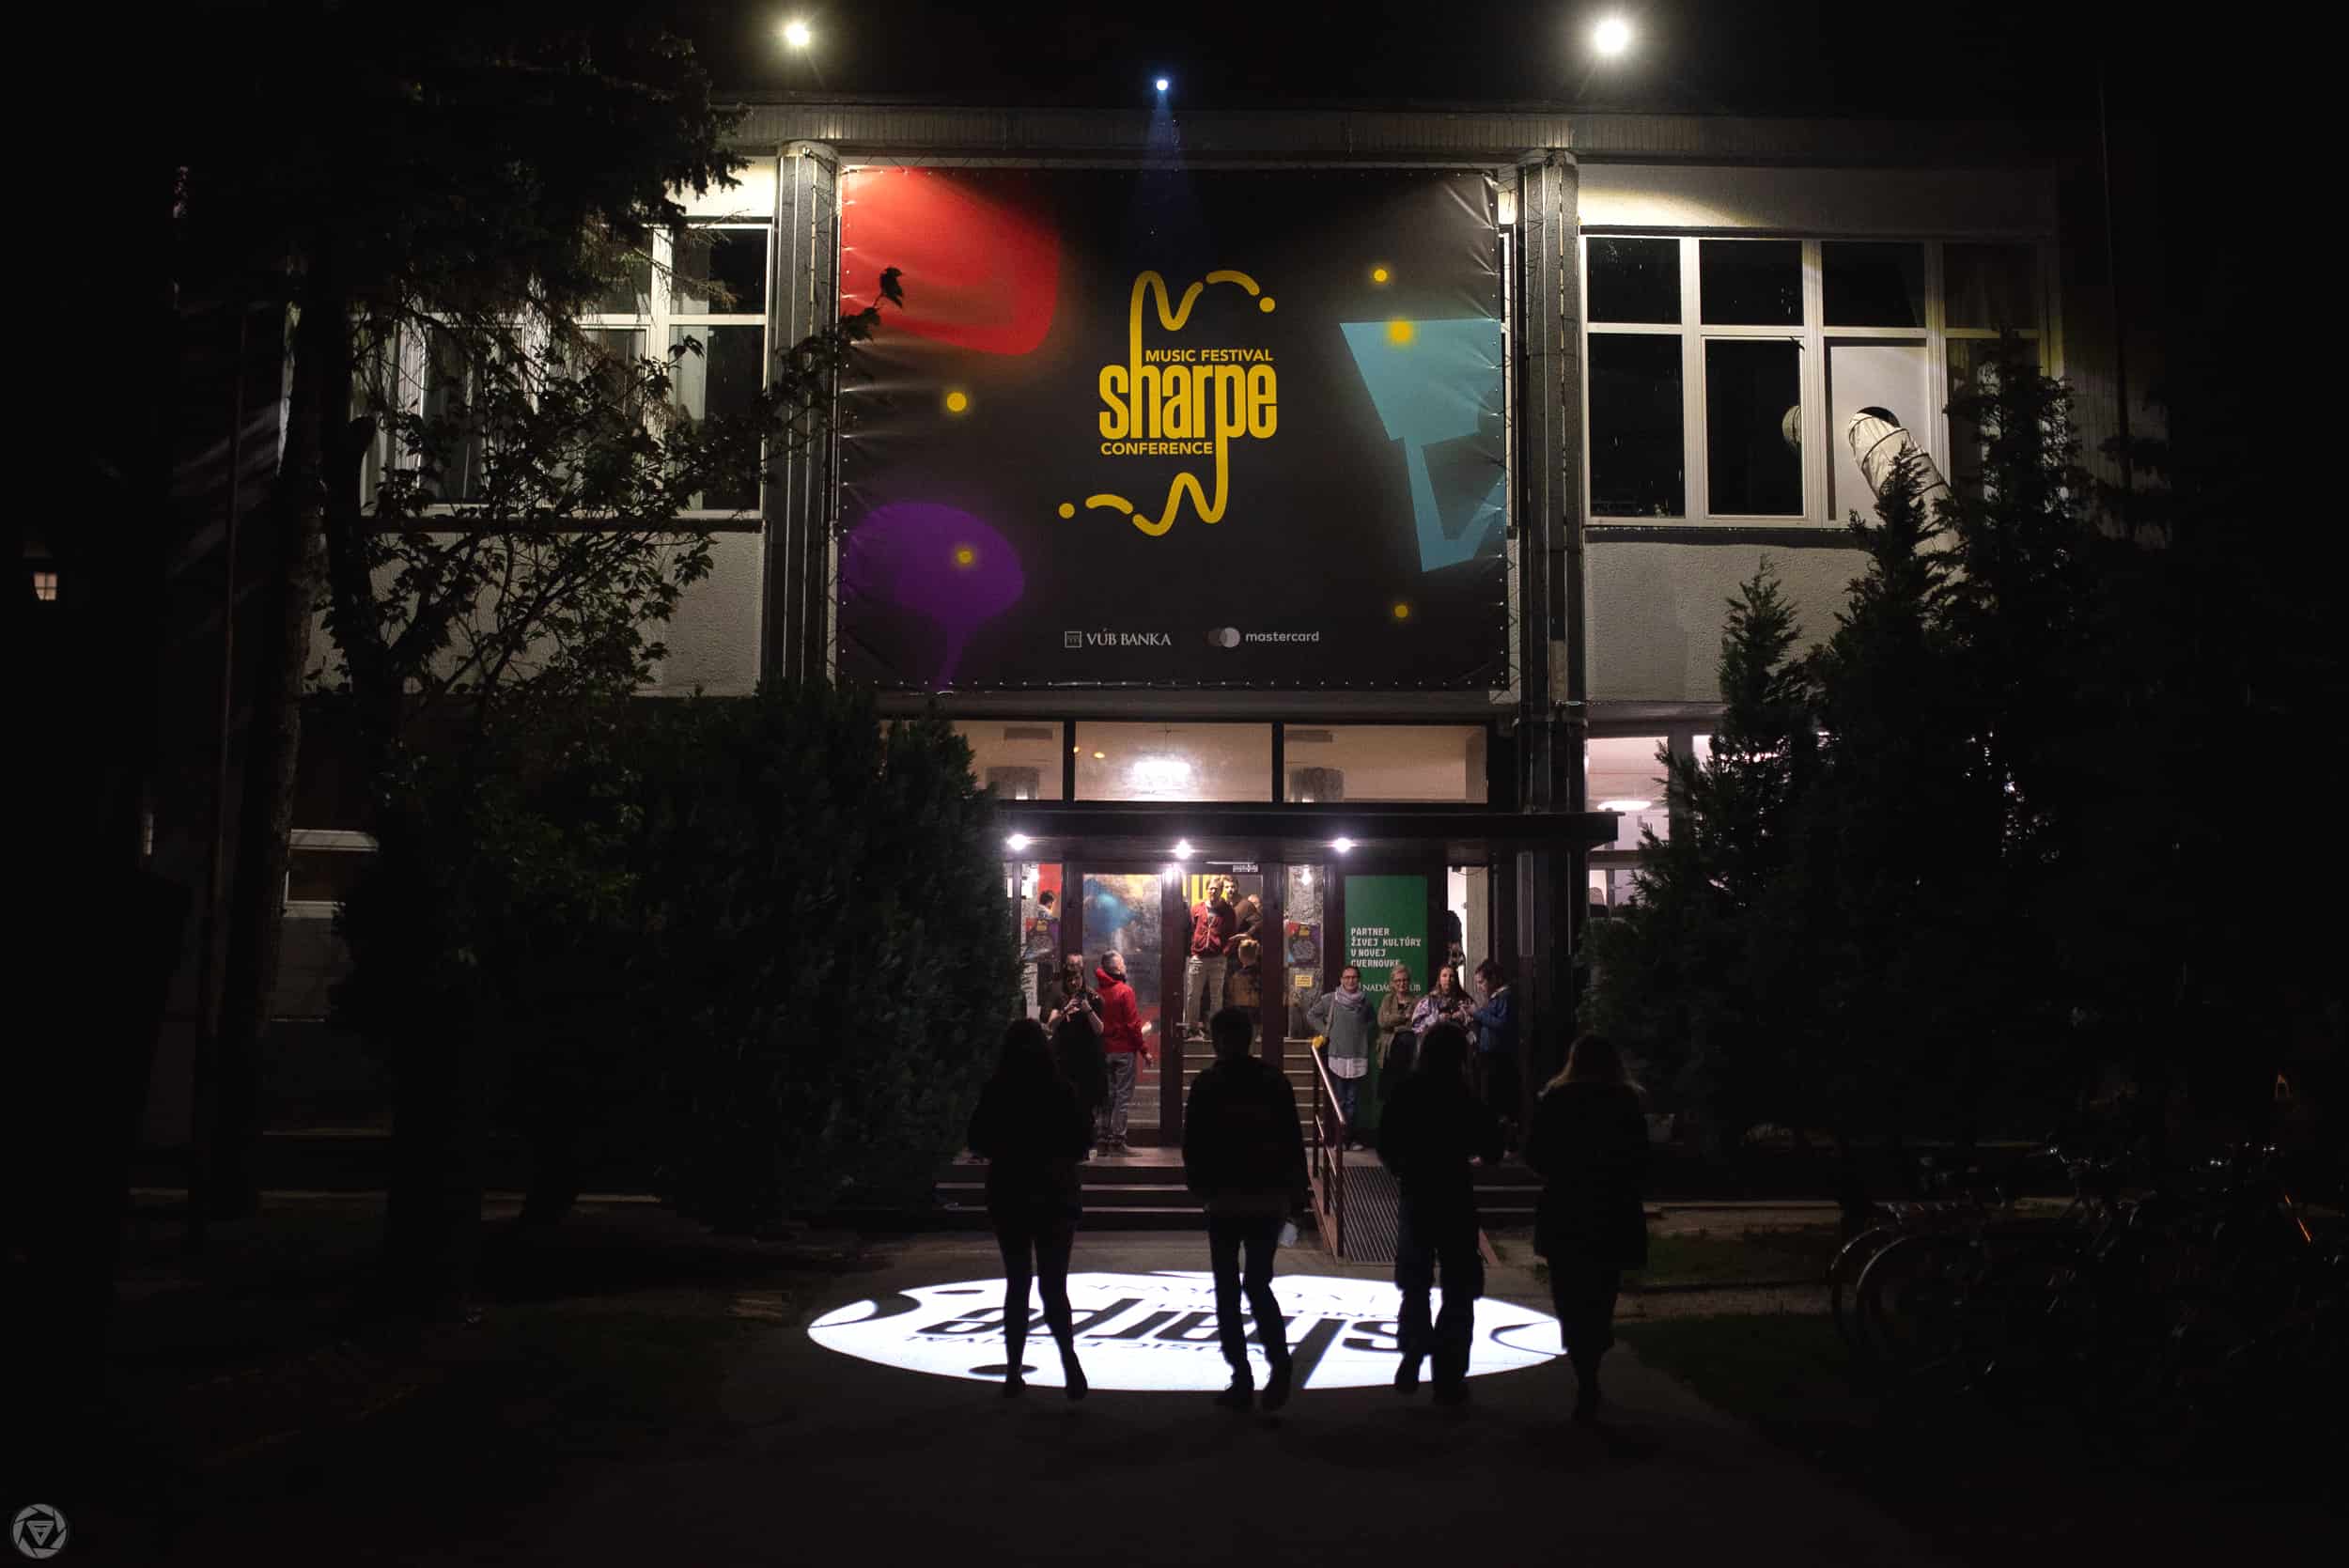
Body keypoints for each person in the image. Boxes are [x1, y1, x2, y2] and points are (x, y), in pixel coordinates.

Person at [1182, 1004, 1307, 1412]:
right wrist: (1296, 1197)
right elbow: (1292, 1142)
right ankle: (1278, 1364)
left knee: (1227, 1290)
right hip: (1266, 1197)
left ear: (1218, 1041)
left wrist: (1200, 1186)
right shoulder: (1274, 1081)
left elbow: (1193, 1142)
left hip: (1224, 1198)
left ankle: (1241, 1376)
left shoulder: (1207, 1084)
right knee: (1257, 1283)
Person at [965, 1018, 1093, 1401]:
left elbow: (978, 1139)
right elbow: (1082, 1141)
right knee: (1054, 1285)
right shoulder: (1061, 1089)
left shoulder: (998, 1090)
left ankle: (1013, 1372)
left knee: (1017, 1283)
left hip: (1010, 1190)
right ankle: (1069, 1361)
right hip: (1055, 1192)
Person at [1524, 1033, 1649, 1422]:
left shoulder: (1557, 1098)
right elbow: (1640, 1156)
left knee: (1568, 1291)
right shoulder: (1626, 1100)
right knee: (1602, 1288)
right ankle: (1593, 1351)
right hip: (1611, 1206)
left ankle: (1583, 1362)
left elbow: (1535, 1153)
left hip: (1567, 1205)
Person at [1377, 1022, 1502, 1403]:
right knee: (1459, 1286)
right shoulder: (1464, 1095)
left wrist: (1401, 1165)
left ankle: (1413, 1348)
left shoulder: (1407, 1091)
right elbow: (1492, 1148)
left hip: (1417, 1190)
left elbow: (1386, 1141)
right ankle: (1449, 1375)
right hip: (1455, 1193)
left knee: (1415, 1281)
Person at [1039, 953, 1108, 1147]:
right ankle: (1064, 1142)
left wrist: (1088, 1010)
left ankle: (1084, 1145)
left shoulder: (1093, 997)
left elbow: (1100, 1029)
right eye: (1070, 978)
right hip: (1064, 1057)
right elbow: (1050, 1024)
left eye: (1077, 977)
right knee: (1064, 1102)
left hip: (1087, 1059)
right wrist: (1065, 1010)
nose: (1074, 982)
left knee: (1086, 1104)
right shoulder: (1059, 995)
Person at [1306, 965, 1378, 1145]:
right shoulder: (1330, 999)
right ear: (1341, 980)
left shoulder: (1365, 1002)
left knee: (1352, 1102)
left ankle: (1348, 1140)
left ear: (1358, 980)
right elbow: (1311, 1015)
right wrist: (1326, 1031)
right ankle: (1338, 1139)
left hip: (1357, 1056)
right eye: (1347, 977)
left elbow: (1372, 1022)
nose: (1350, 980)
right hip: (1337, 1056)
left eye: (1354, 977)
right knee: (1339, 1101)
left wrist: (1363, 1035)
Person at [1093, 948, 1153, 1153]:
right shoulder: (1125, 991)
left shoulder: (1097, 993)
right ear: (1117, 968)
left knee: (1107, 1096)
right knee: (1122, 1097)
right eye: (1123, 963)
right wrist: (1144, 1050)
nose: (1125, 965)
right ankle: (1117, 1140)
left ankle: (1102, 1139)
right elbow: (1132, 1025)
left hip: (1105, 1051)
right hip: (1124, 1051)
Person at [1470, 958, 1522, 1144]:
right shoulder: (1495, 998)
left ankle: (1503, 1145)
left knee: (1498, 1103)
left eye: (1481, 982)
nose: (1479, 987)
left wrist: (1477, 1013)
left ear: (1493, 979)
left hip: (1499, 1058)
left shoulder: (1505, 997)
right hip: (1488, 1057)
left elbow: (1502, 1024)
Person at [1183, 877, 1238, 1041]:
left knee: (1216, 996)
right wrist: (1193, 950)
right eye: (1211, 888)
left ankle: (1215, 1030)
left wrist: (1224, 952)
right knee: (1193, 995)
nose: (1213, 891)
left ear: (1221, 891)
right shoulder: (1197, 908)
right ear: (1207, 889)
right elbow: (1189, 930)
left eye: (1216, 888)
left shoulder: (1227, 911)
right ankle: (1192, 1029)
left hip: (1217, 959)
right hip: (1198, 957)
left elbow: (1232, 935)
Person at [1371, 963, 1418, 1122]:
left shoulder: (1416, 1000)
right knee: (1389, 1098)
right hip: (1389, 1056)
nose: (1401, 983)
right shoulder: (1388, 999)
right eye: (1398, 981)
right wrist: (1404, 1017)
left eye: (1404, 980)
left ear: (1409, 981)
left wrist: (1394, 1022)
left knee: (1408, 1097)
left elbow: (1415, 1024)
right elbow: (1382, 1022)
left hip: (1409, 1057)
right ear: (1392, 983)